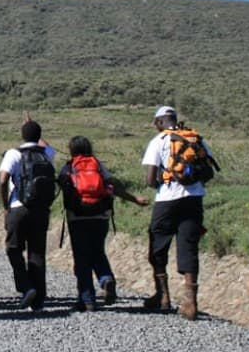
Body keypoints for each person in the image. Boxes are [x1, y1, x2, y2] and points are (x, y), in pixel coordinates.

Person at [57, 135, 149, 311]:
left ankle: (87, 299)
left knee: (82, 257)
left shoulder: (69, 167)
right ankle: (106, 279)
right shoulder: (97, 165)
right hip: (101, 215)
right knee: (98, 251)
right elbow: (113, 186)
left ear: (72, 149)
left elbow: (61, 184)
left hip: (78, 216)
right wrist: (135, 198)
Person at [141, 106, 215, 320]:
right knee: (189, 246)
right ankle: (190, 302)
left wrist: (162, 184)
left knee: (158, 243)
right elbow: (208, 169)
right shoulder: (196, 138)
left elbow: (149, 179)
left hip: (167, 200)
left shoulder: (158, 141)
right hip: (194, 198)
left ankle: (162, 296)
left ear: (160, 121)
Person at [0, 119, 57, 311]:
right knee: (37, 252)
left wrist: (5, 206)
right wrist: (33, 126)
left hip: (18, 207)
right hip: (41, 209)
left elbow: (3, 179)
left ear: (22, 135)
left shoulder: (13, 154)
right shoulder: (47, 153)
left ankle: (26, 286)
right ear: (39, 136)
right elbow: (45, 144)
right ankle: (38, 300)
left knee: (13, 249)